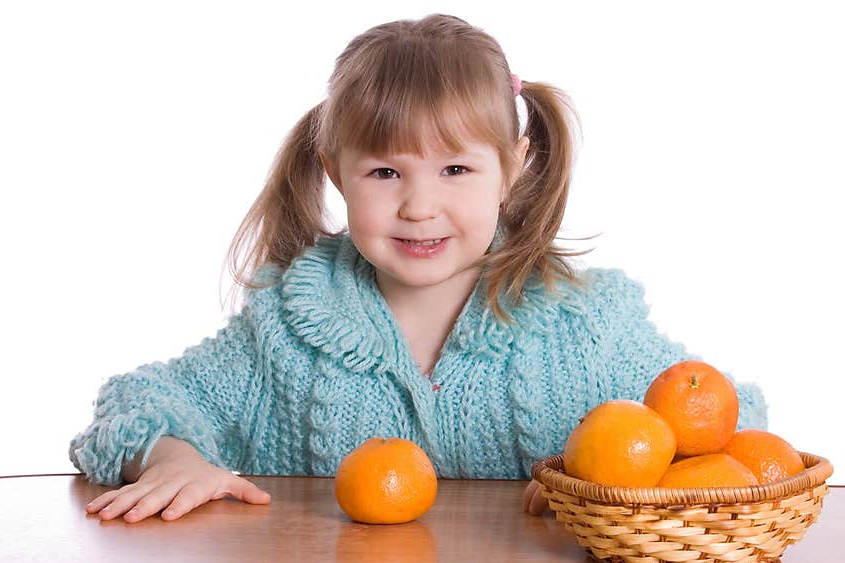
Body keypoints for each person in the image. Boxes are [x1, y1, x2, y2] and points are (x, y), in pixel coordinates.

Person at [70, 13, 767, 523]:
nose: (419, 205)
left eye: (456, 167)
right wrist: (169, 456)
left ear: (512, 169)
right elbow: (141, 399)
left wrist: (623, 482)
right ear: (335, 173)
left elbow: (727, 425)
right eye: (384, 171)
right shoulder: (287, 327)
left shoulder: (583, 323)